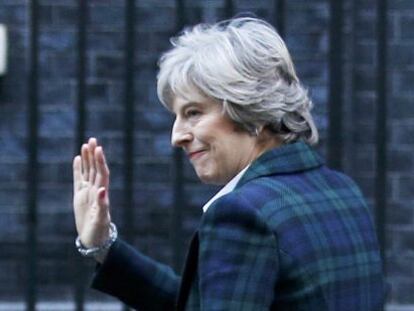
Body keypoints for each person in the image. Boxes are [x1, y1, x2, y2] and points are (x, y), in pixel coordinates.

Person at [72, 17, 385, 310]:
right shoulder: (341, 190)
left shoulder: (242, 214)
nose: (176, 136)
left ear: (250, 109)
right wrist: (102, 246)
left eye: (193, 113)